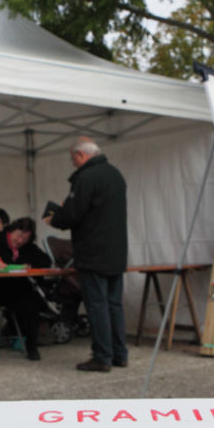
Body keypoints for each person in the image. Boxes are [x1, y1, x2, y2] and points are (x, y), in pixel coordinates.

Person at [46, 137, 128, 372]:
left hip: (93, 252)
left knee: (97, 305)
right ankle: (119, 354)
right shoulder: (116, 175)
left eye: (73, 159)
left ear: (81, 155)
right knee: (114, 304)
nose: (73, 164)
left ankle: (102, 357)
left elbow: (74, 213)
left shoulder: (86, 177)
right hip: (116, 251)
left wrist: (56, 216)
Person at [0, 216, 53, 361]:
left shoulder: (27, 247)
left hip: (17, 288)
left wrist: (28, 263)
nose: (20, 241)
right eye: (19, 236)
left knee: (33, 302)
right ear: (12, 230)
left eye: (25, 239)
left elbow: (46, 261)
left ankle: (32, 347)